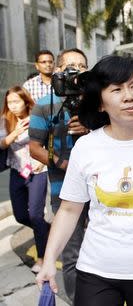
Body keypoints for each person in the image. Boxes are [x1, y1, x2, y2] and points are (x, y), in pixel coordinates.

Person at [35, 55, 133, 305]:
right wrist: (49, 259)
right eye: (116, 89)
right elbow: (70, 210)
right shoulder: (86, 147)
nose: (129, 96)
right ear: (100, 103)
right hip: (97, 272)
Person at [29, 48, 90, 302]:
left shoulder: (101, 102)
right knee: (72, 255)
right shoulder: (44, 106)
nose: (75, 71)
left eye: (81, 66)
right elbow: (34, 148)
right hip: (62, 190)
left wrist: (90, 129)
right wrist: (62, 163)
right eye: (69, 66)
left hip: (101, 188)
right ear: (58, 71)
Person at [0, 86, 49, 273]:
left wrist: (43, 160)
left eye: (16, 101)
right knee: (21, 215)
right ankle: (48, 230)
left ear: (25, 101)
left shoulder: (37, 116)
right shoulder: (6, 120)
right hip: (18, 171)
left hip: (38, 170)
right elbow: (2, 144)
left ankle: (43, 258)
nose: (12, 106)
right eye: (9, 102)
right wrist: (16, 131)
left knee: (36, 214)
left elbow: (48, 138)